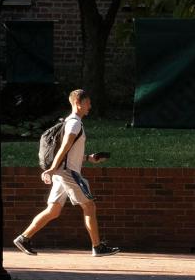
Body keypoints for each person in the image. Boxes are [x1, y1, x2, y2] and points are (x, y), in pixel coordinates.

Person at [12, 88, 119, 257]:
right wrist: (53, 168)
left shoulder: (70, 122)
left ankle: (24, 238)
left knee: (53, 210)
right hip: (68, 173)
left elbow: (70, 152)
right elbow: (65, 147)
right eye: (87, 103)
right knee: (89, 206)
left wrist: (88, 158)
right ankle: (97, 247)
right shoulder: (75, 123)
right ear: (78, 103)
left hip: (62, 172)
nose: (90, 106)